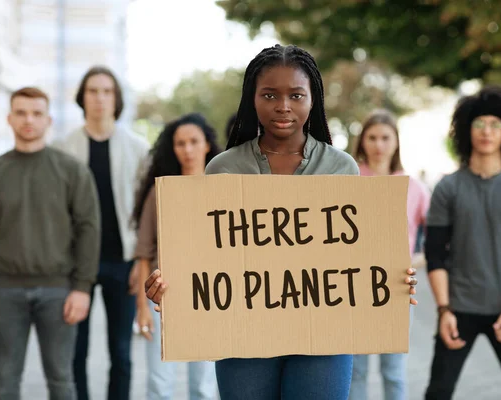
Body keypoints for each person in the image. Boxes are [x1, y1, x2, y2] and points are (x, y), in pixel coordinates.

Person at [143, 44, 418, 400]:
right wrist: (174, 286)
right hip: (243, 337)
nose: (283, 106)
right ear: (252, 99)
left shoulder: (342, 167)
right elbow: (208, 256)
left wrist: (391, 277)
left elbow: (356, 254)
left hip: (325, 337)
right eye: (270, 94)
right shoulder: (223, 168)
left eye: (296, 95)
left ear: (313, 99)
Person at [424, 85, 501, 400]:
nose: (487, 132)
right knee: (438, 392)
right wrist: (443, 310)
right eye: (479, 124)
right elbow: (435, 254)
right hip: (459, 309)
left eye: (495, 124)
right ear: (467, 130)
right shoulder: (448, 188)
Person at [0, 87, 100, 399]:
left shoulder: (72, 171)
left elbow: (88, 229)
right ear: (9, 118)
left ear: (49, 119)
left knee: (61, 380)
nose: (28, 119)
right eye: (21, 112)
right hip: (4, 290)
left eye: (36, 113)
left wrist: (82, 288)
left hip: (59, 290)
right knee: (5, 380)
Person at [54, 66, 150, 400]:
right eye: (93, 91)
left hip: (122, 262)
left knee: (121, 354)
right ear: (83, 98)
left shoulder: (138, 149)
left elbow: (147, 213)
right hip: (76, 264)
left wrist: (142, 261)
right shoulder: (63, 148)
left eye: (107, 91)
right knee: (75, 353)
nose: (100, 98)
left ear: (116, 99)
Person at [132, 113, 221, 400]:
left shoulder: (223, 189)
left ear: (207, 144)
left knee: (205, 386)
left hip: (211, 296)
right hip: (163, 295)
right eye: (180, 143)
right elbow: (144, 253)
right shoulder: (159, 191)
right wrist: (142, 308)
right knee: (159, 383)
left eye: (194, 141)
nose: (187, 149)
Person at [349, 109, 430, 400]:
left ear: (396, 141)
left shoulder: (413, 186)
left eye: (385, 137)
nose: (378, 144)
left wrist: (410, 264)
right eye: (372, 137)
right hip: (352, 288)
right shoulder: (348, 179)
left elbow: (437, 244)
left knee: (393, 371)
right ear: (362, 141)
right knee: (354, 371)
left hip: (396, 289)